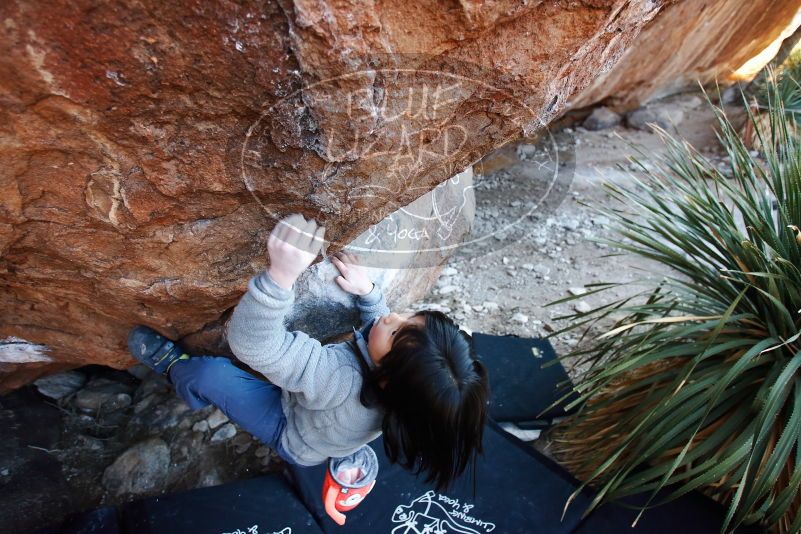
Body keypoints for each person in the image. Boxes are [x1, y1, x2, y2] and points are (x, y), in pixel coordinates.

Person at [128, 213, 489, 491]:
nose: (393, 316)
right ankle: (339, 447)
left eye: (396, 330)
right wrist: (370, 296)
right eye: (409, 317)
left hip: (290, 431)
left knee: (210, 375)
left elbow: (255, 345)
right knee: (340, 402)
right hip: (329, 423)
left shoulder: (338, 378)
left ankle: (174, 370)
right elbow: (387, 349)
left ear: (388, 380)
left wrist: (280, 278)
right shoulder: (412, 401)